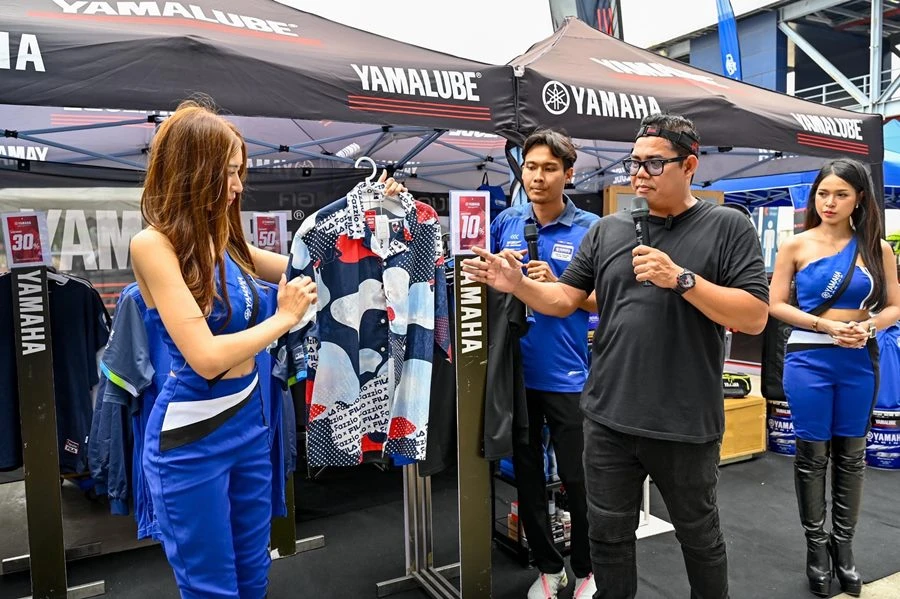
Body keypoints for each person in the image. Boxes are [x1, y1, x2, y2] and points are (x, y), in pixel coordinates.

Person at [463, 113, 769, 599]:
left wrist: (680, 279)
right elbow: (564, 299)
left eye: (654, 163)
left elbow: (754, 317)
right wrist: (516, 283)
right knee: (607, 538)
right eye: (634, 163)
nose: (639, 173)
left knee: (699, 536)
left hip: (684, 420)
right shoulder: (609, 230)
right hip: (608, 416)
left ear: (689, 165)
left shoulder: (728, 226)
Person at [130, 100, 408, 598]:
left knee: (254, 577)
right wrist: (282, 319)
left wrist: (371, 212)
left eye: (239, 172)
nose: (238, 186)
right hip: (191, 441)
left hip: (250, 427)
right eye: (227, 172)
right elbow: (206, 357)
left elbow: (317, 262)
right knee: (212, 588)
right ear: (193, 171)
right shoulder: (154, 246)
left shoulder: (226, 241)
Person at [768, 159, 900, 598]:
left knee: (852, 456)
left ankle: (844, 549)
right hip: (808, 359)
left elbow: (894, 306)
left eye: (841, 194)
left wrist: (869, 326)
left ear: (859, 198)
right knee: (812, 455)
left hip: (858, 360)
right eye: (823, 193)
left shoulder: (877, 248)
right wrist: (825, 326)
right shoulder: (795, 245)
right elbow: (775, 305)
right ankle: (816, 550)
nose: (830, 202)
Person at [491, 129, 599, 599]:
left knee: (579, 479)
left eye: (549, 168)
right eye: (530, 167)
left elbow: (608, 300)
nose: (537, 176)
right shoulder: (506, 222)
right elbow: (487, 287)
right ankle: (549, 569)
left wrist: (560, 286)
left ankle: (589, 569)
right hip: (516, 376)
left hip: (569, 376)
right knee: (528, 479)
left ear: (568, 174)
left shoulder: (592, 228)